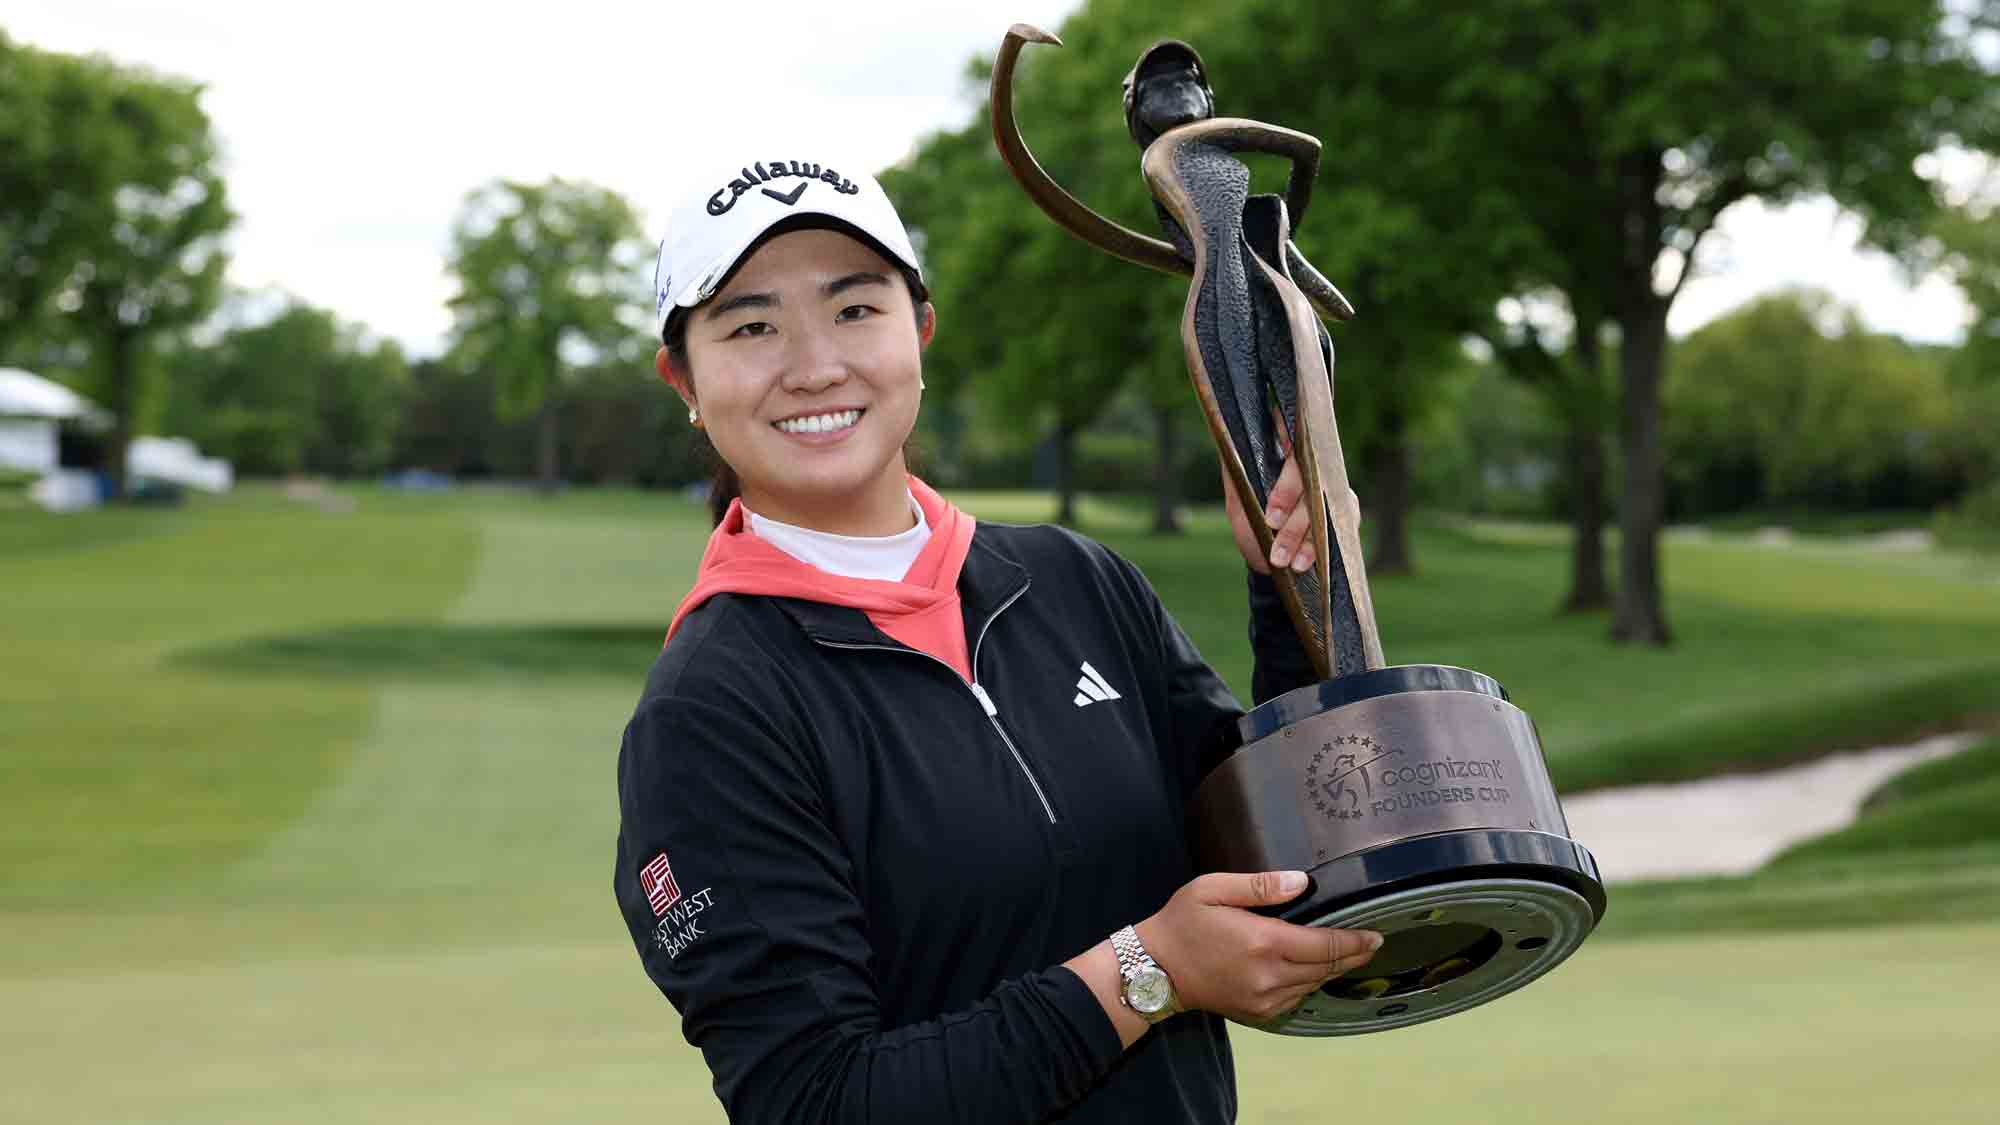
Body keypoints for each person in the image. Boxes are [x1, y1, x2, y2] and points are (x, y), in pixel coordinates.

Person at [612, 148, 1382, 1124]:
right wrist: (1149, 972)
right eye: (752, 325)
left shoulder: (1072, 582)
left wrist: (1294, 577)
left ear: (919, 333)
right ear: (682, 376)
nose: (815, 367)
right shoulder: (711, 710)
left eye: (855, 309)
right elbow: (813, 1101)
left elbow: (1281, 850)